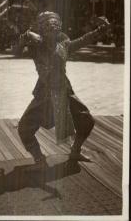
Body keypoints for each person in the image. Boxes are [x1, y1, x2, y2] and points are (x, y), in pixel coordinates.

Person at [18, 12, 110, 169]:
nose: (51, 30)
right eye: (47, 27)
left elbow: (84, 40)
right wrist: (24, 37)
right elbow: (19, 48)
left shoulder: (64, 45)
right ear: (42, 29)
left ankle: (75, 151)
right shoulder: (35, 47)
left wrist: (102, 29)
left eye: (54, 27)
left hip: (64, 91)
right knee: (24, 128)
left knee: (86, 120)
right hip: (44, 95)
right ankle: (39, 160)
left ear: (58, 28)